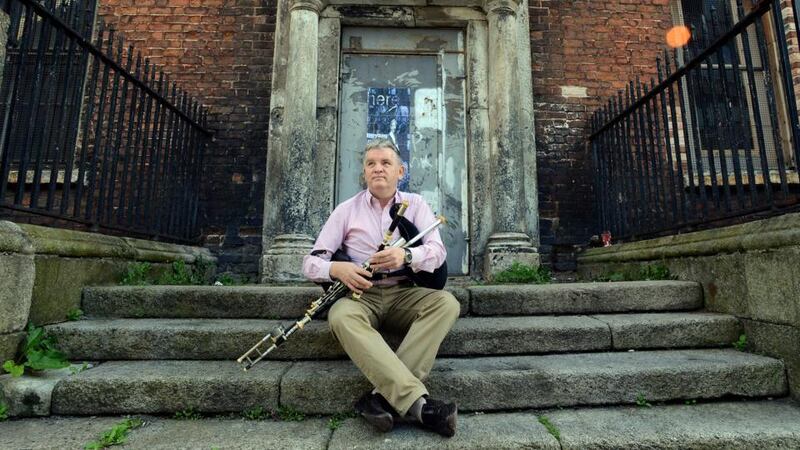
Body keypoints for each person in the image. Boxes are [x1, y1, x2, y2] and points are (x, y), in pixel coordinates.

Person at [302, 138, 460, 437]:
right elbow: (311, 262)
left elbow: (438, 252)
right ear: (364, 172)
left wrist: (407, 255)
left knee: (447, 304)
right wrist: (337, 268)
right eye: (371, 164)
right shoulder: (346, 210)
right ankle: (419, 405)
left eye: (386, 163)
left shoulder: (416, 204)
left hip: (404, 292)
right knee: (340, 316)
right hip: (360, 296)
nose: (378, 169)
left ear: (400, 171)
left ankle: (378, 398)